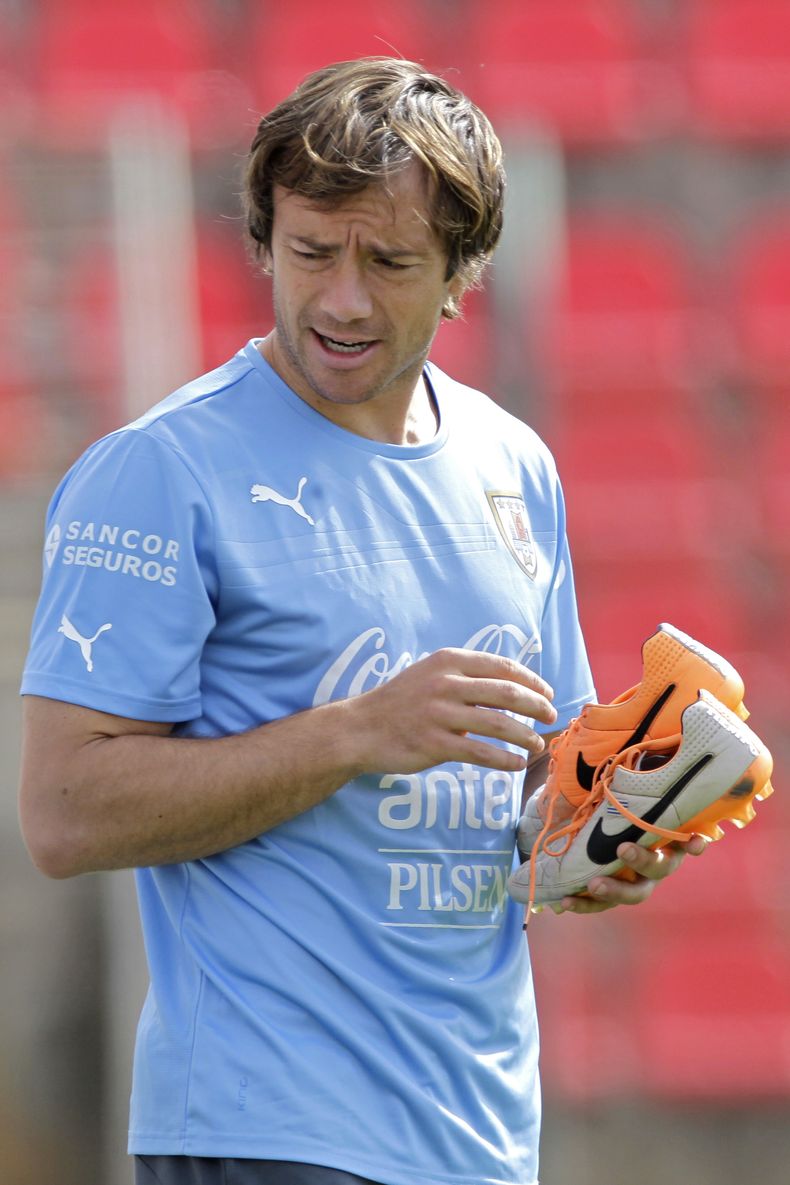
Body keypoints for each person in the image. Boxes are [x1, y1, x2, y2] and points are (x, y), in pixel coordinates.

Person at [18, 57, 704, 1185]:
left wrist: (600, 839)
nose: (340, 298)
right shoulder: (158, 471)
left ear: (459, 274)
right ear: (264, 239)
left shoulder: (512, 465)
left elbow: (537, 777)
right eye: (309, 252)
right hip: (261, 1134)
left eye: (387, 262)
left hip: (480, 1135)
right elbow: (62, 815)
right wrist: (352, 733)